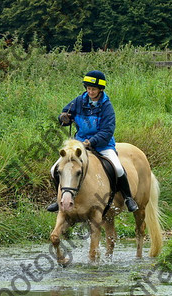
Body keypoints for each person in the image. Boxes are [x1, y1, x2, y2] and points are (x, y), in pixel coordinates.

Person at [47, 70, 139, 213]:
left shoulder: (107, 106)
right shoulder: (78, 101)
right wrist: (63, 118)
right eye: (88, 88)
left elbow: (107, 131)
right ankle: (58, 198)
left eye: (93, 89)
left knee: (118, 168)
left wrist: (90, 142)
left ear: (100, 90)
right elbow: (65, 114)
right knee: (55, 169)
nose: (90, 92)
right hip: (79, 146)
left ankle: (128, 198)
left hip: (103, 145)